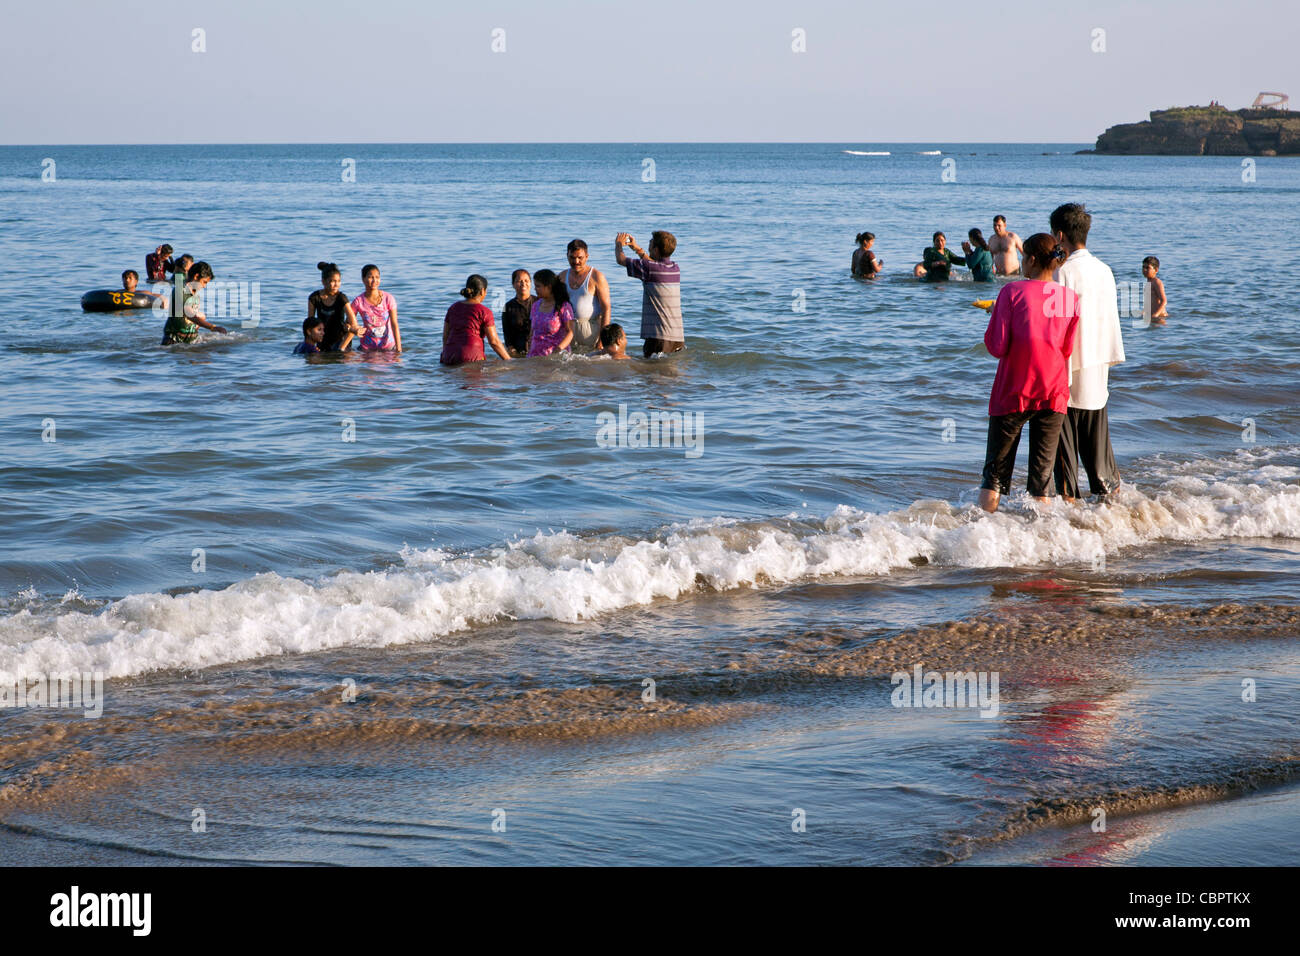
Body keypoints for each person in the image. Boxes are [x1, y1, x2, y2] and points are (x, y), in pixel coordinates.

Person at [978, 234, 1081, 512]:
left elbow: (997, 347)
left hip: (1014, 391)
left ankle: (980, 537)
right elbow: (1066, 348)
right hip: (1053, 392)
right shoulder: (1070, 298)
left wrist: (994, 316)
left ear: (1032, 260)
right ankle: (1041, 542)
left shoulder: (1011, 293)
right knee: (1041, 481)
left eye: (1024, 257)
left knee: (995, 478)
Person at [1049, 203, 1126, 502]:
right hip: (1097, 371)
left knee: (1066, 472)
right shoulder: (1104, 270)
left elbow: (1055, 327)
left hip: (1066, 377)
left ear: (1059, 235)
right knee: (1103, 470)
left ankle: (1073, 531)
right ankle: (1117, 525)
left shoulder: (1062, 272)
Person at [614, 230, 683, 357]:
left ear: (656, 250)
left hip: (658, 336)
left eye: (650, 244)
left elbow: (621, 259)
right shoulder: (675, 268)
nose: (648, 246)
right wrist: (636, 248)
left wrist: (618, 244)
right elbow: (652, 264)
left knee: (652, 375)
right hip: (677, 338)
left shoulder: (649, 268)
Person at [441, 274, 511, 366]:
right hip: (471, 357)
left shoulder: (452, 308)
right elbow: (494, 342)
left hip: (449, 355)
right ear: (482, 291)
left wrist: (445, 353)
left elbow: (445, 336)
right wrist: (509, 360)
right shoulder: (484, 311)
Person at [558, 239, 612, 351]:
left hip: (590, 330)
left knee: (590, 366)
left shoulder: (596, 277)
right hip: (568, 331)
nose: (576, 261)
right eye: (572, 257)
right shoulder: (562, 277)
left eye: (580, 258)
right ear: (567, 256)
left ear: (587, 256)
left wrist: (602, 341)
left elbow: (606, 309)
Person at [161, 261, 228, 344]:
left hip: (189, 341)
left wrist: (200, 319)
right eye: (204, 282)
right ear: (196, 277)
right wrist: (212, 327)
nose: (204, 286)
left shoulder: (195, 296)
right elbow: (189, 314)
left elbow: (193, 318)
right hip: (174, 341)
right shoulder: (180, 289)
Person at [309, 261, 359, 352]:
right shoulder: (314, 298)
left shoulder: (341, 298)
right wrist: (311, 344)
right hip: (322, 340)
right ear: (323, 281)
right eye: (332, 281)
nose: (336, 284)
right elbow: (310, 324)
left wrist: (342, 347)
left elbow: (354, 324)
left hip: (340, 340)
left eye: (338, 281)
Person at [351, 264, 401, 351]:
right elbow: (348, 323)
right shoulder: (358, 301)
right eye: (370, 277)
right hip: (366, 349)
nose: (374, 280)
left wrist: (399, 350)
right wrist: (354, 329)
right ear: (363, 279)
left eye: (377, 277)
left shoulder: (388, 298)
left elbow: (394, 325)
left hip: (388, 347)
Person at [527, 270, 575, 356]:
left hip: (555, 357)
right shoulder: (535, 305)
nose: (534, 289)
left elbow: (570, 332)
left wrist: (558, 350)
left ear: (549, 287)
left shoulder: (563, 306)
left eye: (538, 286)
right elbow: (532, 332)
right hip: (535, 356)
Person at [502, 269, 535, 356]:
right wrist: (511, 349)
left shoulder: (539, 302)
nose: (523, 284)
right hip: (518, 350)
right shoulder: (508, 306)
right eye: (519, 281)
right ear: (513, 284)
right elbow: (506, 332)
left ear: (531, 283)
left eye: (526, 281)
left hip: (538, 347)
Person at [1142, 256, 1167, 323]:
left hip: (1159, 317)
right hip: (1152, 317)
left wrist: (1155, 315)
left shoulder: (1156, 282)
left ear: (1156, 270)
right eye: (1143, 267)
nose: (1144, 270)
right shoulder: (1148, 283)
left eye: (1147, 268)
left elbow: (1164, 301)